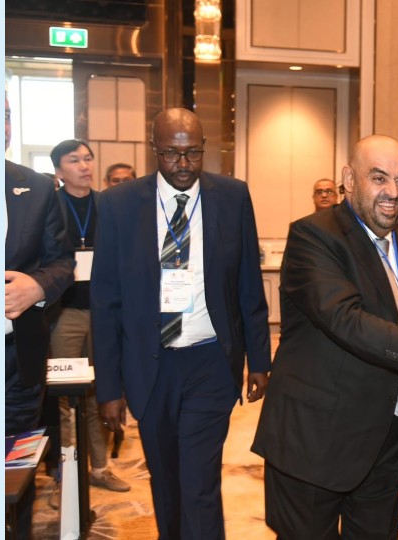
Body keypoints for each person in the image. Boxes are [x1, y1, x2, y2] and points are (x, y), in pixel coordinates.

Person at [251, 135, 398, 538]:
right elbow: (346, 319)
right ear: (349, 179)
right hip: (316, 440)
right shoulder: (313, 236)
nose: (393, 192)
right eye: (379, 178)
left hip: (388, 436)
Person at [91, 108, 272, 540]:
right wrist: (109, 388)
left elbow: (248, 283)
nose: (183, 164)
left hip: (211, 361)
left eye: (193, 152)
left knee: (200, 482)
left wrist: (260, 359)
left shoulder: (232, 196)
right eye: (172, 154)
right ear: (154, 149)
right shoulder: (118, 205)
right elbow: (106, 302)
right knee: (166, 479)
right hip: (151, 364)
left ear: (204, 148)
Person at [4, 96, 75, 539]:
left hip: (17, 363)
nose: (0, 126)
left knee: (15, 475)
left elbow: (62, 262)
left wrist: (38, 287)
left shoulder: (36, 188)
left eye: (4, 116)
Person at [48, 139, 131, 496]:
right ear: (58, 170)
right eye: (74, 160)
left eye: (88, 158)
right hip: (64, 311)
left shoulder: (107, 204)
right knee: (65, 394)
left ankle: (99, 468)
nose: (84, 166)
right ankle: (67, 474)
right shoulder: (49, 205)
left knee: (102, 389)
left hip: (103, 313)